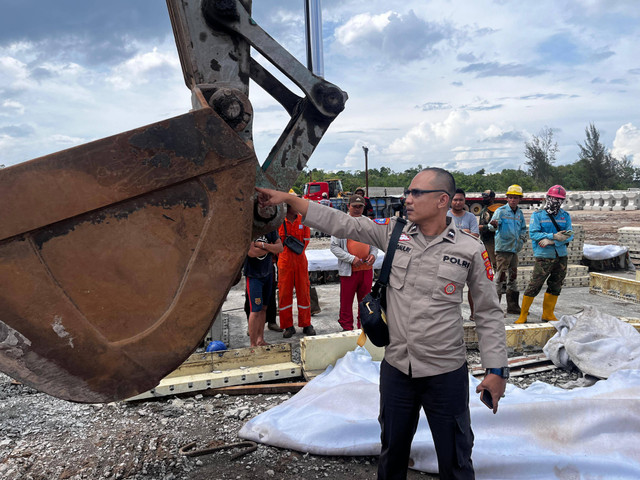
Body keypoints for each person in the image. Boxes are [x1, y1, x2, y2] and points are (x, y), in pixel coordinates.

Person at [257, 167, 508, 480]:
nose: (408, 199)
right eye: (408, 192)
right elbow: (342, 222)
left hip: (445, 374)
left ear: (442, 200)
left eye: (417, 193)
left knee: (456, 459)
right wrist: (290, 200)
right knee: (392, 455)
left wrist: (496, 371)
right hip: (398, 371)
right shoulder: (394, 232)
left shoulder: (469, 248)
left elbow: (488, 312)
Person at [516, 185, 573, 324]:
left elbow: (569, 235)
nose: (556, 202)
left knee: (556, 284)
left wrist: (553, 241)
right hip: (544, 256)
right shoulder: (538, 215)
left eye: (560, 199)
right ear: (548, 198)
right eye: (553, 198)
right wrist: (552, 235)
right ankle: (523, 315)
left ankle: (548, 314)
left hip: (561, 255)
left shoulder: (565, 216)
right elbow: (533, 233)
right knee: (535, 284)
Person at [330, 194, 378, 331]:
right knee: (346, 302)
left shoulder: (369, 223)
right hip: (349, 271)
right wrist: (351, 258)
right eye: (354, 206)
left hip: (366, 270)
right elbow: (334, 247)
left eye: (360, 207)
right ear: (348, 206)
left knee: (365, 303)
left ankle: (363, 327)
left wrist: (373, 254)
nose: (357, 209)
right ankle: (347, 328)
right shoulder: (341, 223)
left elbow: (375, 243)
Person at [278, 203, 317, 338]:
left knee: (304, 292)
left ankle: (306, 324)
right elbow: (276, 242)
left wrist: (297, 250)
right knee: (284, 294)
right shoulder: (280, 222)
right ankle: (287, 326)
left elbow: (306, 240)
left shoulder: (303, 221)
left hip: (300, 260)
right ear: (288, 207)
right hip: (285, 262)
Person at [489, 184, 527, 314]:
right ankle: (495, 308)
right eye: (510, 197)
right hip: (503, 249)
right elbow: (492, 227)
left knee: (513, 277)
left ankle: (513, 306)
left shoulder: (519, 213)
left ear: (519, 199)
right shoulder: (501, 211)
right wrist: (493, 225)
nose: (513, 200)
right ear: (507, 198)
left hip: (514, 250)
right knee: (500, 277)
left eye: (515, 198)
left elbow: (523, 228)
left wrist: (522, 239)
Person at [244, 232, 283, 346]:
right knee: (255, 310)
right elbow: (251, 252)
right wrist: (271, 249)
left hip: (268, 274)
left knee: (263, 308)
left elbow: (280, 248)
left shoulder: (271, 229)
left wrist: (262, 245)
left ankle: (260, 339)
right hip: (254, 276)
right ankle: (253, 344)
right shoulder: (250, 229)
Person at [447, 188, 479, 321]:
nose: (458, 202)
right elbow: (443, 235)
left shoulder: (470, 217)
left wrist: (457, 233)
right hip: (449, 258)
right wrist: (465, 232)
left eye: (461, 200)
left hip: (468, 256)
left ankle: (473, 314)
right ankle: (451, 317)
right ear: (450, 201)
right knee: (450, 288)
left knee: (472, 287)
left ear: (465, 201)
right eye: (455, 200)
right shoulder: (445, 216)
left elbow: (476, 235)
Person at [477, 190, 499, 269]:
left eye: (486, 197)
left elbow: (497, 225)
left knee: (495, 263)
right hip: (484, 240)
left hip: (492, 241)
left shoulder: (496, 210)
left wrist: (483, 227)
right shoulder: (484, 209)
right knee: (485, 264)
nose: (484, 198)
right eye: (483, 197)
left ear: (492, 198)